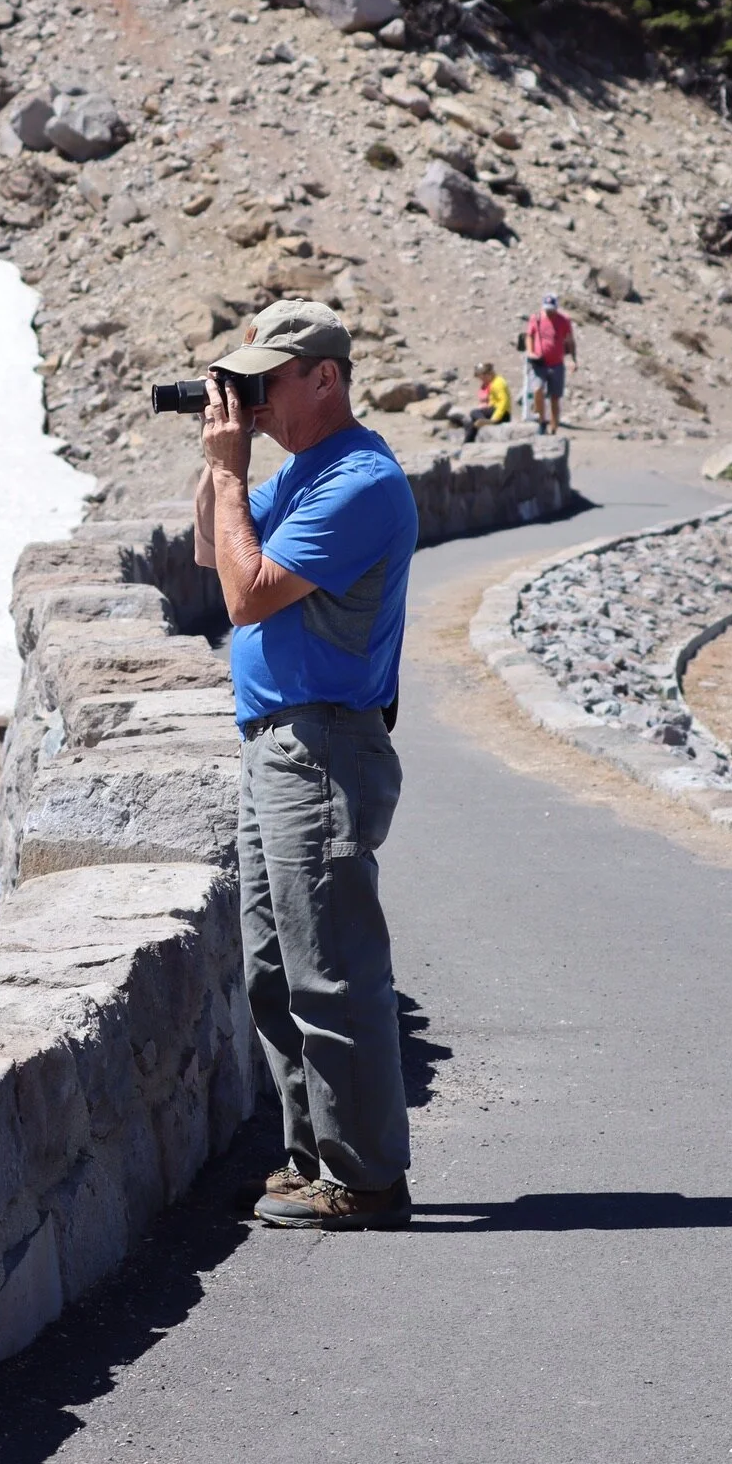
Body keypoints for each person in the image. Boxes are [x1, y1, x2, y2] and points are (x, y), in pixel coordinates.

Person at [193, 299, 418, 1233]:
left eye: (266, 383)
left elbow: (247, 596)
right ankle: (313, 1160)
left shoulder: (361, 481)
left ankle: (367, 1180)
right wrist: (219, 462)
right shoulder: (300, 473)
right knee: (274, 968)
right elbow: (212, 551)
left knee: (330, 966)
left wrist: (232, 471)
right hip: (277, 744)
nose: (254, 401)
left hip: (321, 745)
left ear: (325, 378)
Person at [525, 292, 577, 435]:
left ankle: (553, 427)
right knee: (537, 389)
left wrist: (573, 359)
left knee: (555, 397)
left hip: (557, 364)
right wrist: (530, 351)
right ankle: (542, 421)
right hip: (539, 362)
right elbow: (529, 335)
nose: (549, 312)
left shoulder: (564, 320)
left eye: (551, 309)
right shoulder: (536, 318)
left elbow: (570, 341)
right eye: (547, 309)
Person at [450, 361, 511, 435]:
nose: (482, 380)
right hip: (492, 411)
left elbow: (503, 402)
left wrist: (495, 418)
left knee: (474, 413)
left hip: (499, 414)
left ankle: (484, 422)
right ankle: (468, 440)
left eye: (482, 377)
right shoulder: (490, 383)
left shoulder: (497, 383)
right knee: (473, 423)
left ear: (487, 374)